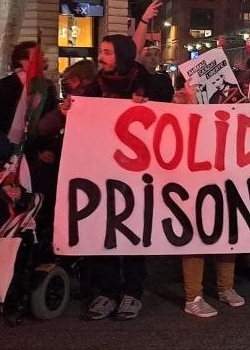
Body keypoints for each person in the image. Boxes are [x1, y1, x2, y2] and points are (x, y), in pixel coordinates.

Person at [81, 35, 152, 321]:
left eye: (107, 52)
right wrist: (67, 112)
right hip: (101, 171)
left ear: (121, 55)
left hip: (137, 175)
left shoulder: (147, 83)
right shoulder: (94, 86)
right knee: (104, 230)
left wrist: (147, 105)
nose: (101, 57)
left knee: (133, 230)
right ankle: (107, 292)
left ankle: (133, 291)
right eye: (101, 51)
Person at [174, 83, 245, 318]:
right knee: (196, 238)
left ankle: (226, 287)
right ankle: (193, 297)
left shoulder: (235, 111)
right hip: (196, 185)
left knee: (227, 236)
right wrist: (190, 102)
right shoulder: (186, 106)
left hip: (226, 182)